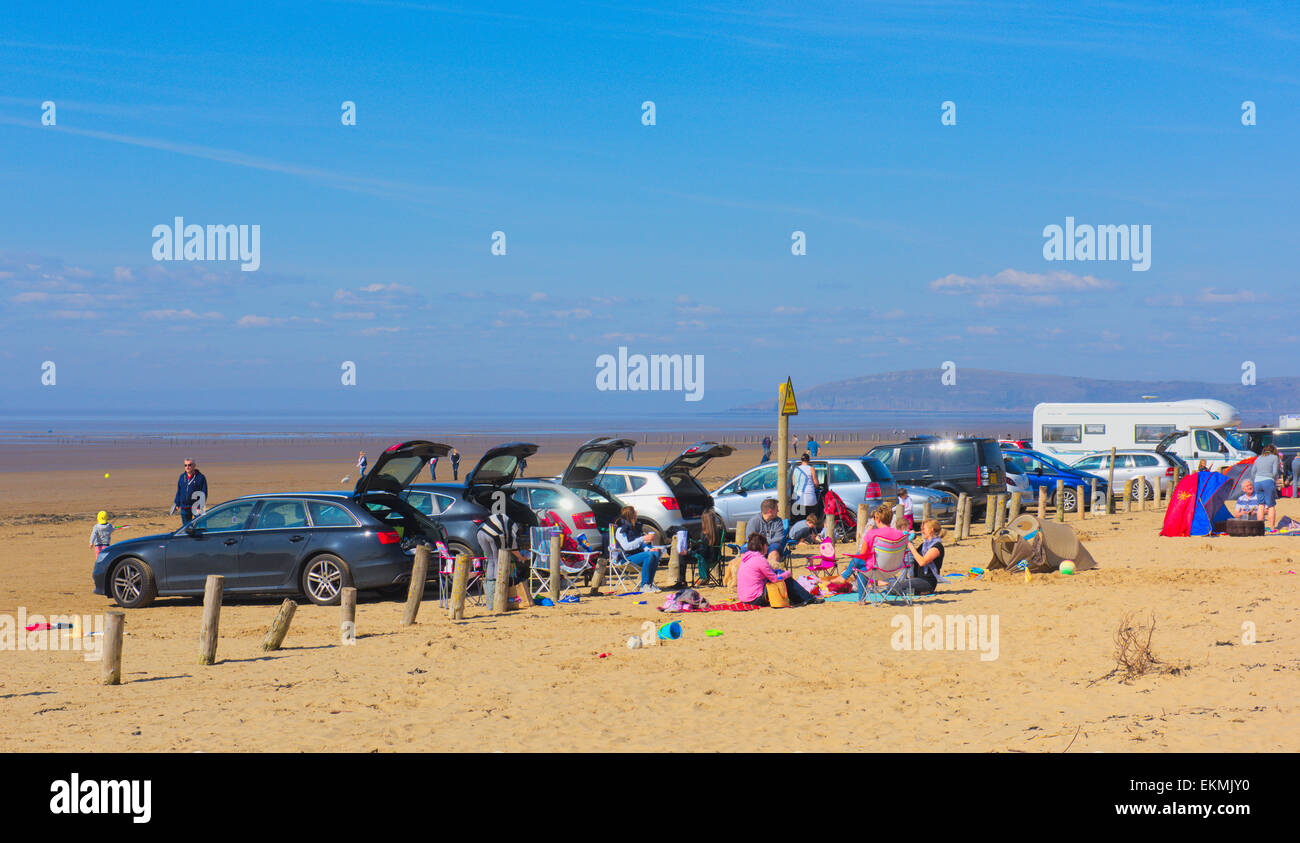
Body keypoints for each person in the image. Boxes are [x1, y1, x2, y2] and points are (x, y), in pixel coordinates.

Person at [828, 503, 907, 594]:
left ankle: (848, 582)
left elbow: (862, 555)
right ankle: (844, 577)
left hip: (877, 569)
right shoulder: (901, 534)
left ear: (877, 519)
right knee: (862, 561)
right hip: (895, 569)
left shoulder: (872, 533)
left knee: (861, 563)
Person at [736, 534, 821, 607]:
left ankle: (799, 599)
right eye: (766, 545)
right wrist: (787, 574)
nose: (767, 547)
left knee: (781, 576)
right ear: (762, 546)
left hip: (744, 598)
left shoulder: (746, 559)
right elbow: (775, 579)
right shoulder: (760, 559)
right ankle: (808, 598)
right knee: (786, 579)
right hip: (755, 599)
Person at [477, 507, 524, 608]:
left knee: (490, 560)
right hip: (492, 534)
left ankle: (490, 600)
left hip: (480, 532)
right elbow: (513, 547)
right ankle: (497, 595)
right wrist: (522, 557)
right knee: (498, 560)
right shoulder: (513, 527)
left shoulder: (505, 519)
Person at [890, 518, 945, 596]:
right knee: (891, 584)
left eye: (924, 529)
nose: (922, 532)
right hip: (917, 579)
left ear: (931, 530)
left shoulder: (937, 547)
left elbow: (922, 562)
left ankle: (920, 592)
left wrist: (910, 545)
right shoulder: (924, 545)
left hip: (927, 582)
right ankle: (913, 591)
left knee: (894, 588)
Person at [613, 506, 662, 592]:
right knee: (649, 556)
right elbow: (626, 547)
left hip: (636, 556)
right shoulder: (621, 530)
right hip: (625, 558)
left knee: (655, 553)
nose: (637, 516)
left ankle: (649, 584)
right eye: (635, 514)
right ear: (631, 516)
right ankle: (644, 585)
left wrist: (647, 549)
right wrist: (642, 538)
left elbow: (641, 544)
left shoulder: (634, 528)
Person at [745, 498, 787, 568]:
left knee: (775, 548)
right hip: (756, 546)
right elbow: (750, 539)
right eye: (777, 509)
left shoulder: (778, 521)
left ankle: (769, 572)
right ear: (770, 511)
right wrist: (761, 545)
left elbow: (779, 538)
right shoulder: (754, 521)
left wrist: (764, 544)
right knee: (744, 551)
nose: (778, 511)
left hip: (771, 546)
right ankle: (749, 573)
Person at [171, 458, 208, 525]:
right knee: (186, 529)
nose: (187, 467)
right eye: (185, 465)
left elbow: (204, 493)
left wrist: (200, 507)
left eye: (189, 465)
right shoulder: (182, 477)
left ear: (194, 465)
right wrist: (176, 503)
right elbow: (179, 491)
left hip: (196, 507)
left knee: (201, 527)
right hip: (184, 508)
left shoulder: (201, 477)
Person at [1253, 445, 1281, 528]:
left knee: (1261, 505)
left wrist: (1256, 479)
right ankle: (1272, 527)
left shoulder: (1258, 458)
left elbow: (1252, 472)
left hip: (1257, 482)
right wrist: (1273, 478)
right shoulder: (1274, 458)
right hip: (1268, 481)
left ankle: (1260, 528)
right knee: (1271, 505)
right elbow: (1275, 472)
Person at [792, 453, 821, 517]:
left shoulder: (796, 469)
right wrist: (816, 486)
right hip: (809, 497)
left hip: (798, 498)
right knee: (811, 518)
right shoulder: (811, 469)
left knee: (802, 517)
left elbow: (794, 484)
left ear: (801, 460)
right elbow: (816, 483)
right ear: (808, 460)